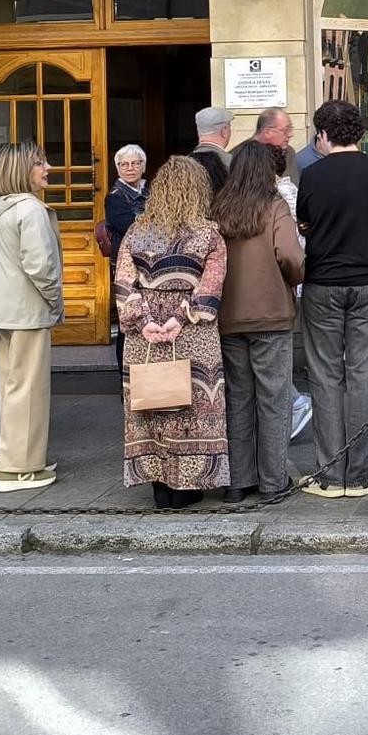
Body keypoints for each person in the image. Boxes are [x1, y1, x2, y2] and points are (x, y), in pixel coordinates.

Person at [294, 99, 368, 499]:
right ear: (360, 133)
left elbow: (305, 222)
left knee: (324, 375)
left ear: (322, 135)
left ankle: (329, 472)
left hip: (323, 281)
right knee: (364, 375)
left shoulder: (312, 174)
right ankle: (361, 472)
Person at [116, 154, 230, 510]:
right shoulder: (208, 233)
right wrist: (180, 318)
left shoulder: (137, 229)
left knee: (150, 405)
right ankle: (186, 485)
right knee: (192, 406)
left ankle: (158, 485)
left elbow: (123, 279)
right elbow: (211, 285)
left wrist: (143, 319)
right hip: (191, 333)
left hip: (144, 332)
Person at [212, 140, 306, 505]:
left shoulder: (218, 208)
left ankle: (238, 481)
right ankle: (273, 479)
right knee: (274, 398)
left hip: (229, 315)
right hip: (271, 313)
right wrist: (294, 280)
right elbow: (291, 257)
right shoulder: (273, 206)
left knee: (238, 397)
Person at [0, 142, 62, 493]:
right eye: (40, 162)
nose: (48, 167)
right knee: (28, 392)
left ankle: (19, 460)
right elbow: (41, 266)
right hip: (27, 311)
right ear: (23, 170)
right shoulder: (30, 210)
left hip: (3, 310)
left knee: (12, 387)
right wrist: (54, 301)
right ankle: (19, 470)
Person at [105, 145, 148, 369]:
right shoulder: (115, 198)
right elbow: (130, 228)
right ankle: (126, 378)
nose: (130, 168)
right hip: (128, 266)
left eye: (135, 163)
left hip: (153, 266)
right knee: (129, 320)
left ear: (143, 166)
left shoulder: (153, 191)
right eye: (124, 164)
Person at [189, 106, 232, 195]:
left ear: (199, 132)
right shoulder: (234, 162)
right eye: (229, 127)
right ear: (224, 131)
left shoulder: (183, 165)